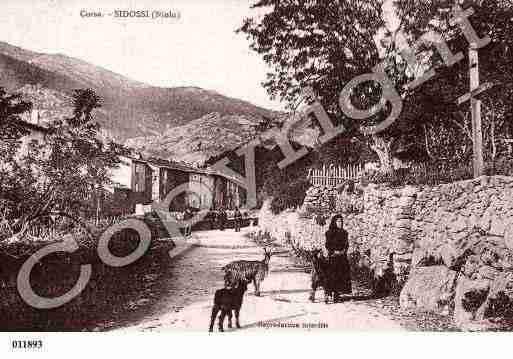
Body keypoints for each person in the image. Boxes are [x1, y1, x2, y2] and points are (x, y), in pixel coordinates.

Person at [325, 214, 352, 302]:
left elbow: (346, 244)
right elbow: (328, 244)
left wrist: (344, 250)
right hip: (333, 257)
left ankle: (337, 294)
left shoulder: (344, 233)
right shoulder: (329, 233)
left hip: (342, 257)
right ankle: (329, 293)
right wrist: (334, 251)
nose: (340, 223)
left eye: (341, 221)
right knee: (332, 275)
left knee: (341, 275)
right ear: (334, 222)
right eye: (338, 221)